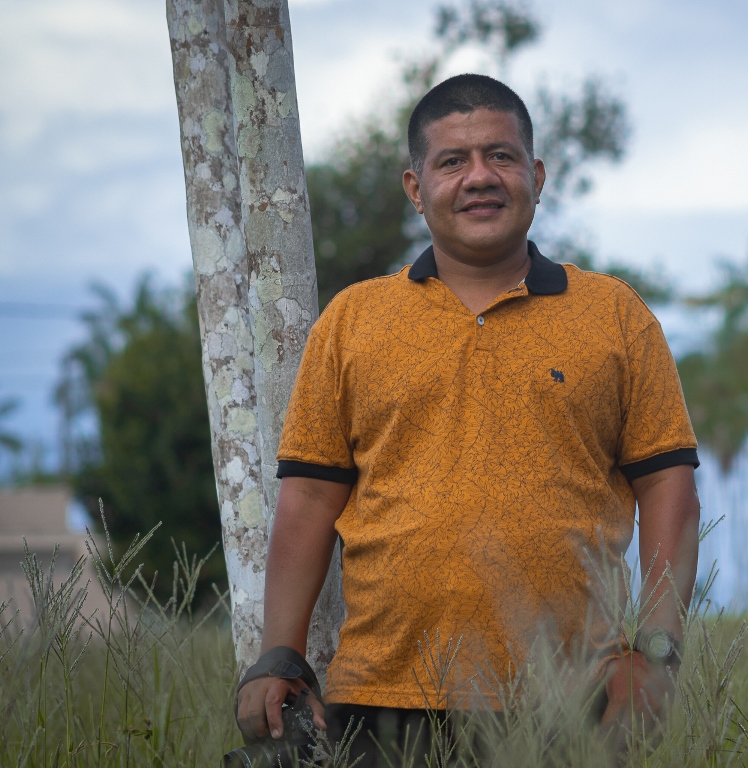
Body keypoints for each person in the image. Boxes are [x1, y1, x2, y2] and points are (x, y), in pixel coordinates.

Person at [234, 73, 700, 764]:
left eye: (500, 156)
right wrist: (279, 655)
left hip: (573, 702)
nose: (480, 177)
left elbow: (669, 488)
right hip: (382, 704)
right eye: (453, 161)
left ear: (536, 176)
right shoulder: (353, 321)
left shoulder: (614, 315)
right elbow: (307, 498)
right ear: (416, 188)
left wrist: (655, 654)